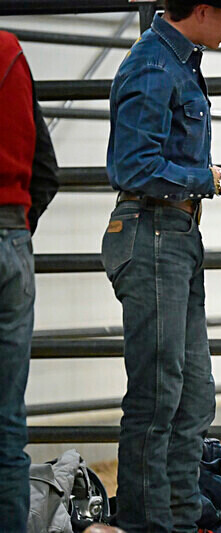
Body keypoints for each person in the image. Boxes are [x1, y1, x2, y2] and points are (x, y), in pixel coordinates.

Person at [102, 2, 221, 531]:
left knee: (189, 395)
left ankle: (174, 518)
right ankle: (152, 522)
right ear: (202, 8)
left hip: (170, 234)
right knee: (161, 395)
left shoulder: (172, 62)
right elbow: (135, 165)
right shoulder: (155, 65)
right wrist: (219, 180)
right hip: (155, 230)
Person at [0, 30, 59, 533]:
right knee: (6, 426)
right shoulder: (11, 52)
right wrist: (15, 229)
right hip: (12, 238)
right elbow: (46, 171)